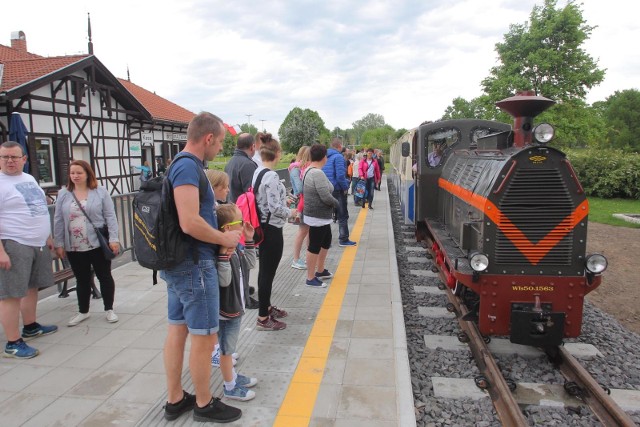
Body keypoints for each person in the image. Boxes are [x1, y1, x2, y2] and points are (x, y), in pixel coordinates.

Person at [160, 112, 242, 423]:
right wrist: (225, 236)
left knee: (177, 331)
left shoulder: (180, 165)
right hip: (194, 265)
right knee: (205, 337)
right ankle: (204, 404)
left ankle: (175, 399)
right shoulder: (187, 166)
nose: (220, 148)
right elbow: (189, 221)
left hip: (179, 264)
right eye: (219, 142)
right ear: (208, 138)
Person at [0, 141, 58, 359]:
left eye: (14, 157)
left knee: (32, 287)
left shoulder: (29, 179)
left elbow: (38, 207)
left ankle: (31, 326)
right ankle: (13, 343)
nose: (10, 161)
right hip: (14, 243)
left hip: (38, 242)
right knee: (11, 294)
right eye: (5, 157)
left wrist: (48, 236)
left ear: (24, 159)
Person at [53, 160, 121, 326]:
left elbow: (110, 216)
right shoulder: (64, 193)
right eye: (72, 173)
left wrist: (114, 239)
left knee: (104, 276)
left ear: (88, 174)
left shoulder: (100, 192)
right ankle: (83, 311)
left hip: (96, 243)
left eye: (79, 173)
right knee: (81, 279)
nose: (75, 176)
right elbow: (58, 220)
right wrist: (59, 242)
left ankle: (109, 309)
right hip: (74, 245)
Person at [252, 133, 298, 331]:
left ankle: (267, 306)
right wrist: (291, 211)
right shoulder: (270, 175)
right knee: (267, 273)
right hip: (271, 229)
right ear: (277, 153)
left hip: (262, 226)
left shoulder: (258, 172)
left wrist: (282, 202)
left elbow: (266, 201)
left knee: (266, 271)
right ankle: (263, 317)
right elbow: (274, 208)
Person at [214, 203, 259, 401]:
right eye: (239, 222)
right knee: (226, 351)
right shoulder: (223, 253)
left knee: (229, 350)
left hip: (236, 308)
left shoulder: (236, 249)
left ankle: (231, 377)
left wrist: (248, 240)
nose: (244, 224)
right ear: (227, 228)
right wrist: (224, 255)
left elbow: (250, 264)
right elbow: (224, 281)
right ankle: (229, 386)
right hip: (227, 312)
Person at [205, 169, 258, 310]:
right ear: (213, 187)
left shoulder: (214, 208)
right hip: (229, 304)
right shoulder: (213, 211)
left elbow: (250, 263)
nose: (228, 190)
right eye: (225, 187)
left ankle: (243, 291)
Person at [303, 144, 339, 287]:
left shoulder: (311, 170)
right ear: (324, 157)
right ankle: (310, 278)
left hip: (319, 216)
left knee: (326, 241)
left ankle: (320, 270)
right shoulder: (316, 173)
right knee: (315, 246)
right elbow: (325, 196)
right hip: (317, 216)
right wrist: (337, 204)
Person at [322, 138, 356, 247]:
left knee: (326, 217)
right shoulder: (338, 157)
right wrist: (345, 187)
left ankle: (326, 241)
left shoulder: (324, 157)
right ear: (340, 146)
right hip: (337, 189)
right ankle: (343, 239)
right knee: (342, 215)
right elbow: (340, 176)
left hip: (325, 188)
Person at [290, 146, 311, 270]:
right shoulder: (296, 169)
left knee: (308, 231)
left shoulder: (300, 168)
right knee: (302, 231)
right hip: (301, 204)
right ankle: (296, 259)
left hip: (306, 202)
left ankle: (308, 256)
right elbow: (299, 189)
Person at [224, 133, 257, 203]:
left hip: (232, 208)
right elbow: (252, 193)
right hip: (244, 210)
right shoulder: (248, 165)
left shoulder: (229, 162)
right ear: (252, 147)